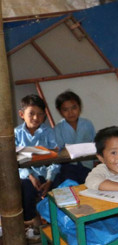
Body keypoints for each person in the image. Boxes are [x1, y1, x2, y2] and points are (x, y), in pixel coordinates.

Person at [15, 94, 60, 237]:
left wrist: (49, 179)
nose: (36, 118)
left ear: (45, 116)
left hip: (46, 173)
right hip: (26, 175)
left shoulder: (48, 132)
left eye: (40, 114)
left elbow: (54, 157)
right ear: (22, 114)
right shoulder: (17, 133)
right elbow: (17, 159)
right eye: (31, 113)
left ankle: (57, 224)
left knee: (60, 188)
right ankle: (34, 221)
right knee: (26, 190)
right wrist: (31, 176)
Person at [53, 90, 96, 184]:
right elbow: (58, 151)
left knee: (89, 185)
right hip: (69, 166)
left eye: (74, 108)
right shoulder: (58, 128)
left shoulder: (87, 124)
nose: (71, 112)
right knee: (70, 184)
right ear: (60, 111)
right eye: (65, 110)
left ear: (79, 107)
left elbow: (95, 144)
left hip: (87, 165)